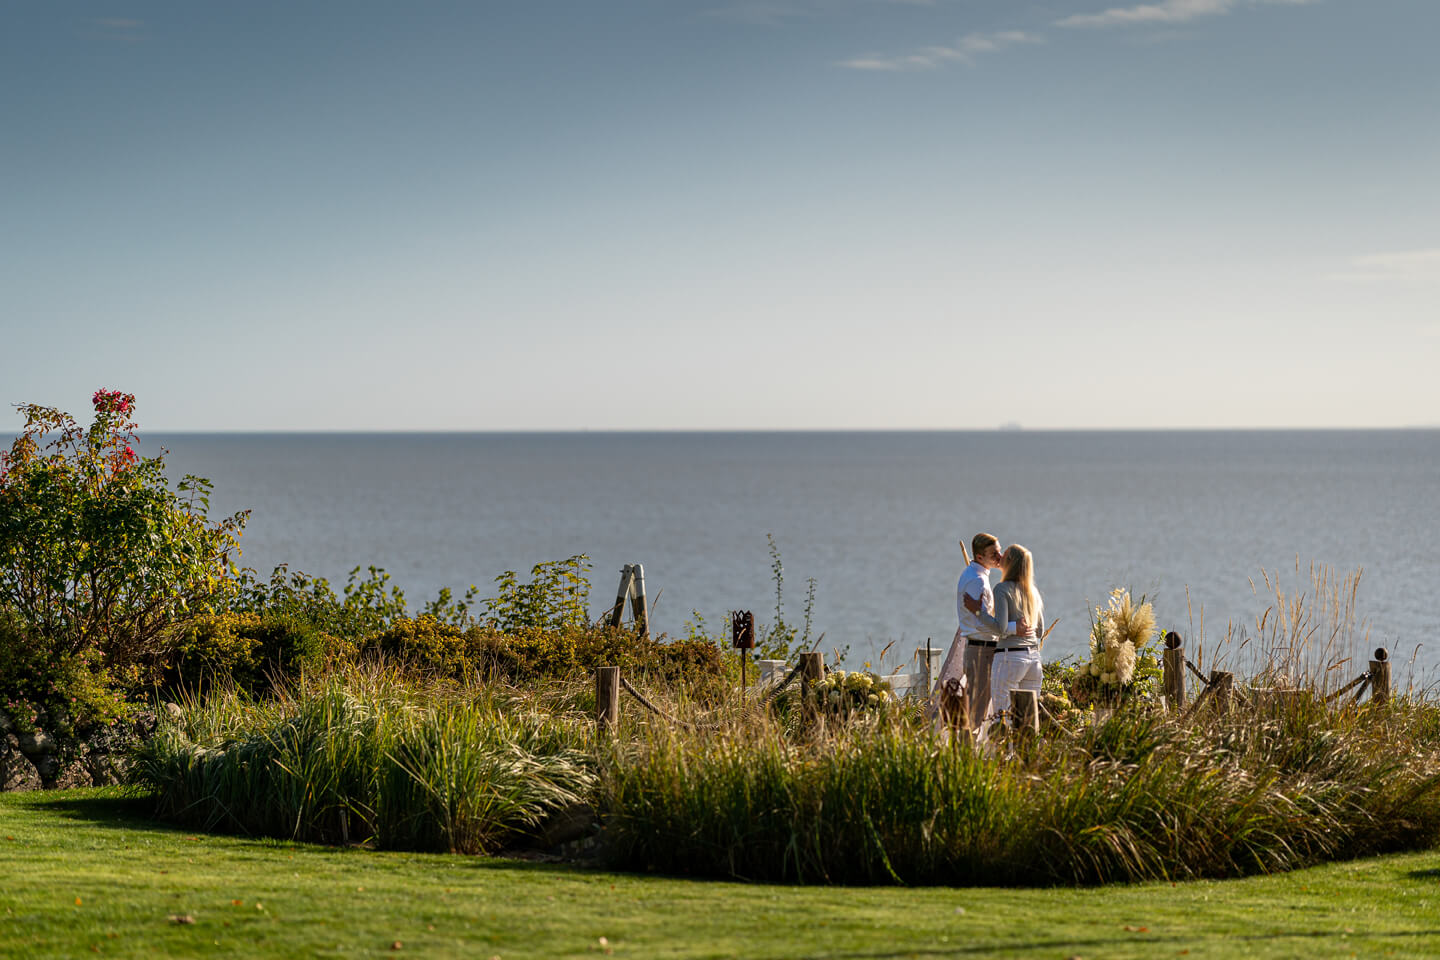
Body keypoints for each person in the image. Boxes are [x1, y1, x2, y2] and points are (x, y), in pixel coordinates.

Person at [945, 533, 1030, 733]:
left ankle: (971, 750)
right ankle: (968, 756)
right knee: (978, 709)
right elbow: (980, 622)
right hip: (981, 651)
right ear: (980, 557)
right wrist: (1013, 628)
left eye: (999, 551)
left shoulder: (973, 575)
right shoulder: (978, 582)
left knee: (980, 705)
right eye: (993, 554)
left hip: (979, 648)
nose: (999, 556)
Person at [986, 544, 1045, 726]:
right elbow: (1039, 631)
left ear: (1010, 562)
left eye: (1005, 554)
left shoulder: (1002, 589)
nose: (1000, 555)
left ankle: (1004, 755)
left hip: (1009, 658)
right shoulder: (1032, 592)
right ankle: (1025, 754)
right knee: (1027, 719)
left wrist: (980, 614)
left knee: (1001, 717)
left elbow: (1000, 629)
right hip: (1034, 659)